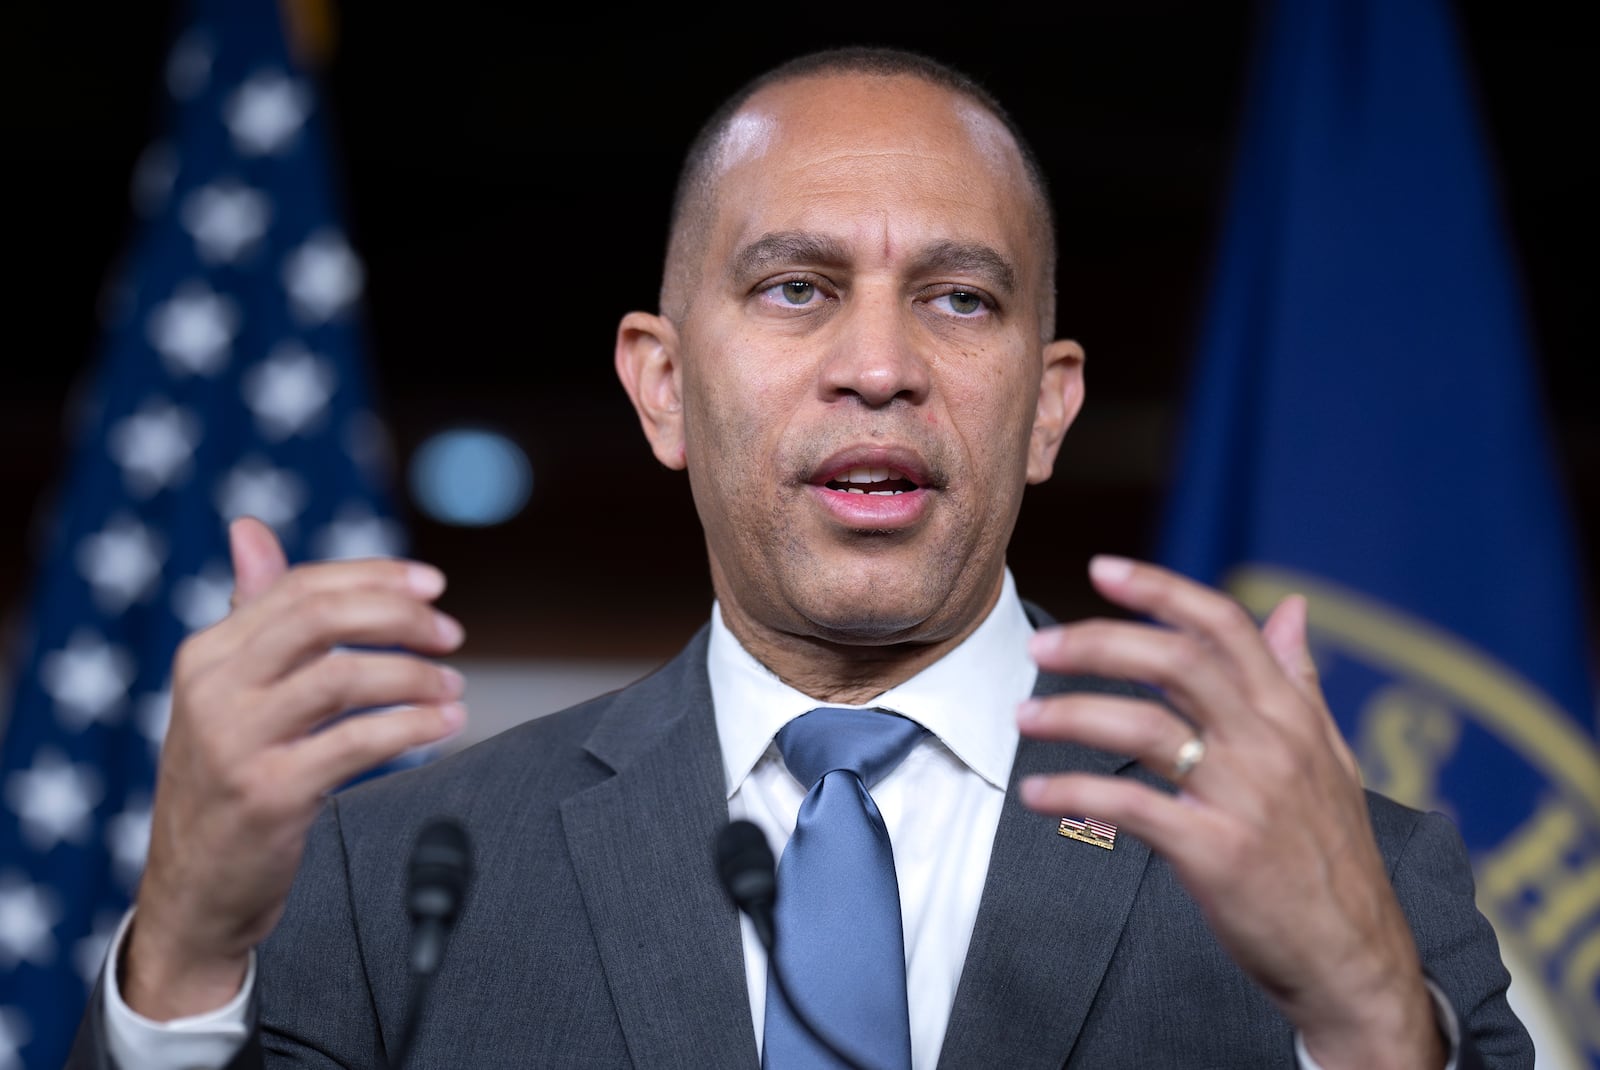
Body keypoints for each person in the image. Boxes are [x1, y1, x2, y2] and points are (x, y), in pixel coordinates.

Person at [70, 47, 1531, 1069]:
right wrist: (186, 966)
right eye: (796, 288)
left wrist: (1369, 1026)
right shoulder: (381, 879)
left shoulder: (1370, 881)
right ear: (662, 386)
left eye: (960, 300)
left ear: (1051, 404)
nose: (880, 365)